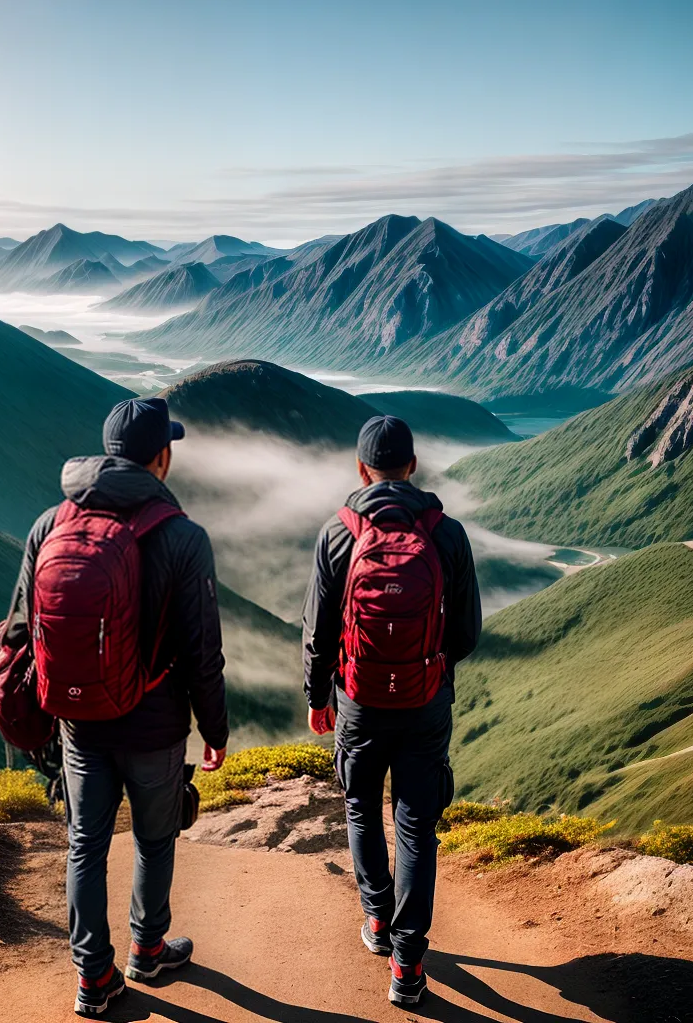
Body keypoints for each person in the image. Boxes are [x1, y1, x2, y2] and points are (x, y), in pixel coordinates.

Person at [5, 397, 228, 1017]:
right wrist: (215, 729)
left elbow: (23, 628)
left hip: (79, 723)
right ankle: (148, 949)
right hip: (155, 723)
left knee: (86, 843)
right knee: (155, 842)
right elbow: (201, 650)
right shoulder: (183, 537)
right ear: (162, 457)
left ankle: (92, 978)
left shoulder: (50, 525)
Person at [302, 415, 480, 1008]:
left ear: (361, 470)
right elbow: (469, 632)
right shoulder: (447, 534)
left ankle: (377, 923)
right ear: (413, 466)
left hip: (358, 699)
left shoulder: (337, 534)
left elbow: (318, 632)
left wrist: (318, 696)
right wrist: (431, 667)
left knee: (360, 805)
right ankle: (408, 964)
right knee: (416, 824)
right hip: (426, 702)